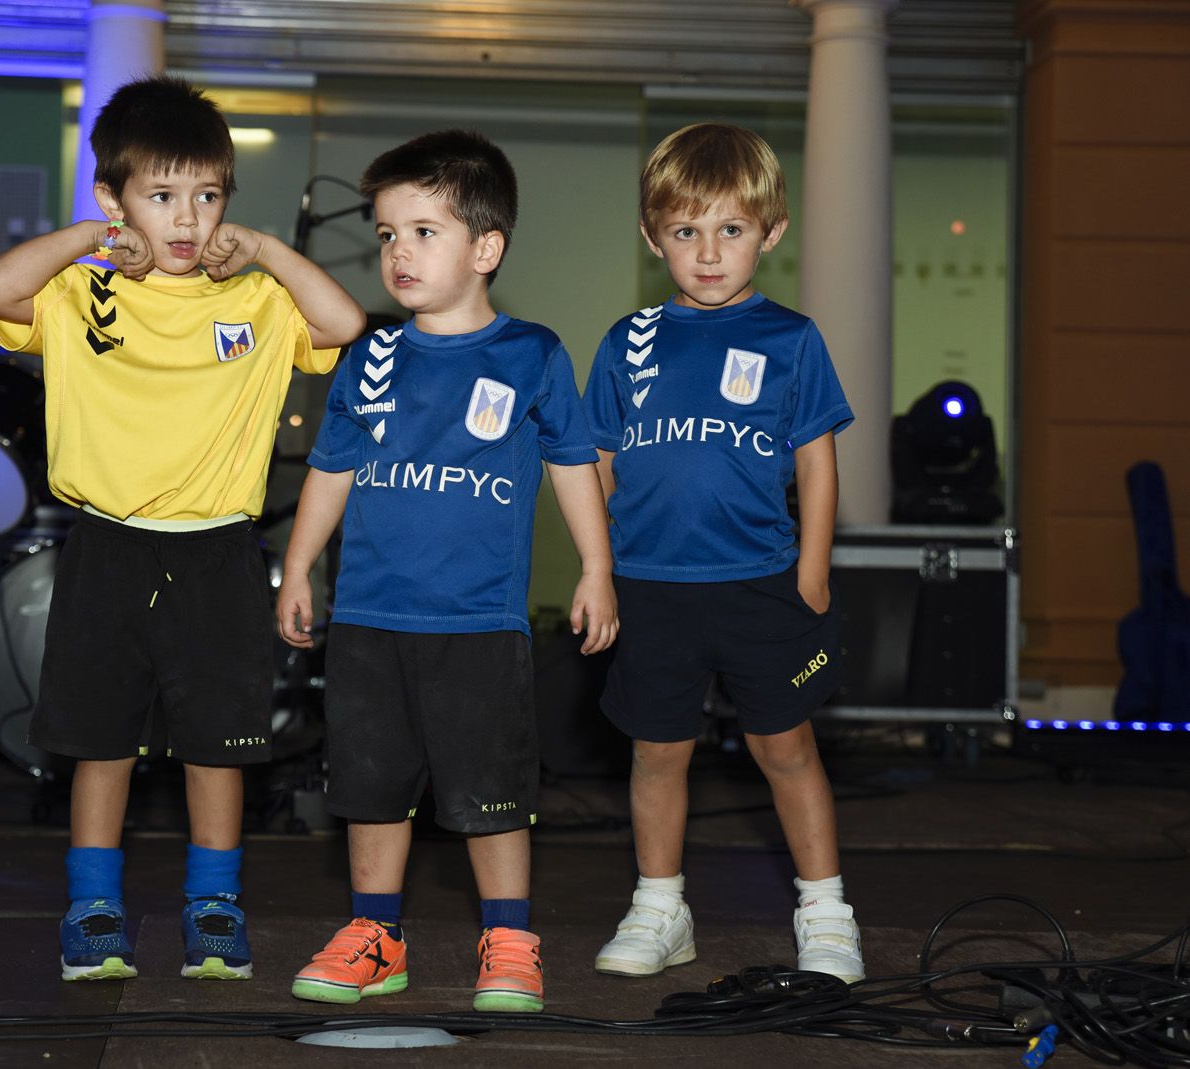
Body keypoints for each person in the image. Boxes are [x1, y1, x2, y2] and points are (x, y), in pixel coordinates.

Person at [0, 75, 364, 983]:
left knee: (218, 745)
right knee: (101, 742)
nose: (186, 219)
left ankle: (214, 904)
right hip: (106, 547)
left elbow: (342, 320)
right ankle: (92, 907)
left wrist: (264, 249)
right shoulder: (80, 292)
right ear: (115, 199)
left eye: (208, 196)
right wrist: (92, 237)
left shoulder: (257, 302)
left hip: (219, 553)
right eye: (160, 195)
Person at [276, 129, 618, 1014]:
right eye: (388, 234)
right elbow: (332, 469)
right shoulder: (371, 358)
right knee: (371, 787)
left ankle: (508, 938)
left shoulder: (533, 354)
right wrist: (299, 565)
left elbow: (573, 463)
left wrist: (597, 567)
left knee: (490, 792)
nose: (399, 251)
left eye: (424, 232)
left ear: (486, 248)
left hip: (477, 623)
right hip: (369, 619)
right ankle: (375, 935)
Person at [582, 122, 863, 983]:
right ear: (653, 236)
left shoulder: (792, 338)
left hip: (760, 584)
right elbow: (596, 461)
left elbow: (817, 462)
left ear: (771, 232)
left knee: (786, 749)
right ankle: (660, 906)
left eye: (731, 229)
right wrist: (603, 569)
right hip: (650, 587)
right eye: (686, 230)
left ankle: (826, 912)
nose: (708, 253)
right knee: (657, 752)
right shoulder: (627, 341)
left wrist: (811, 571)